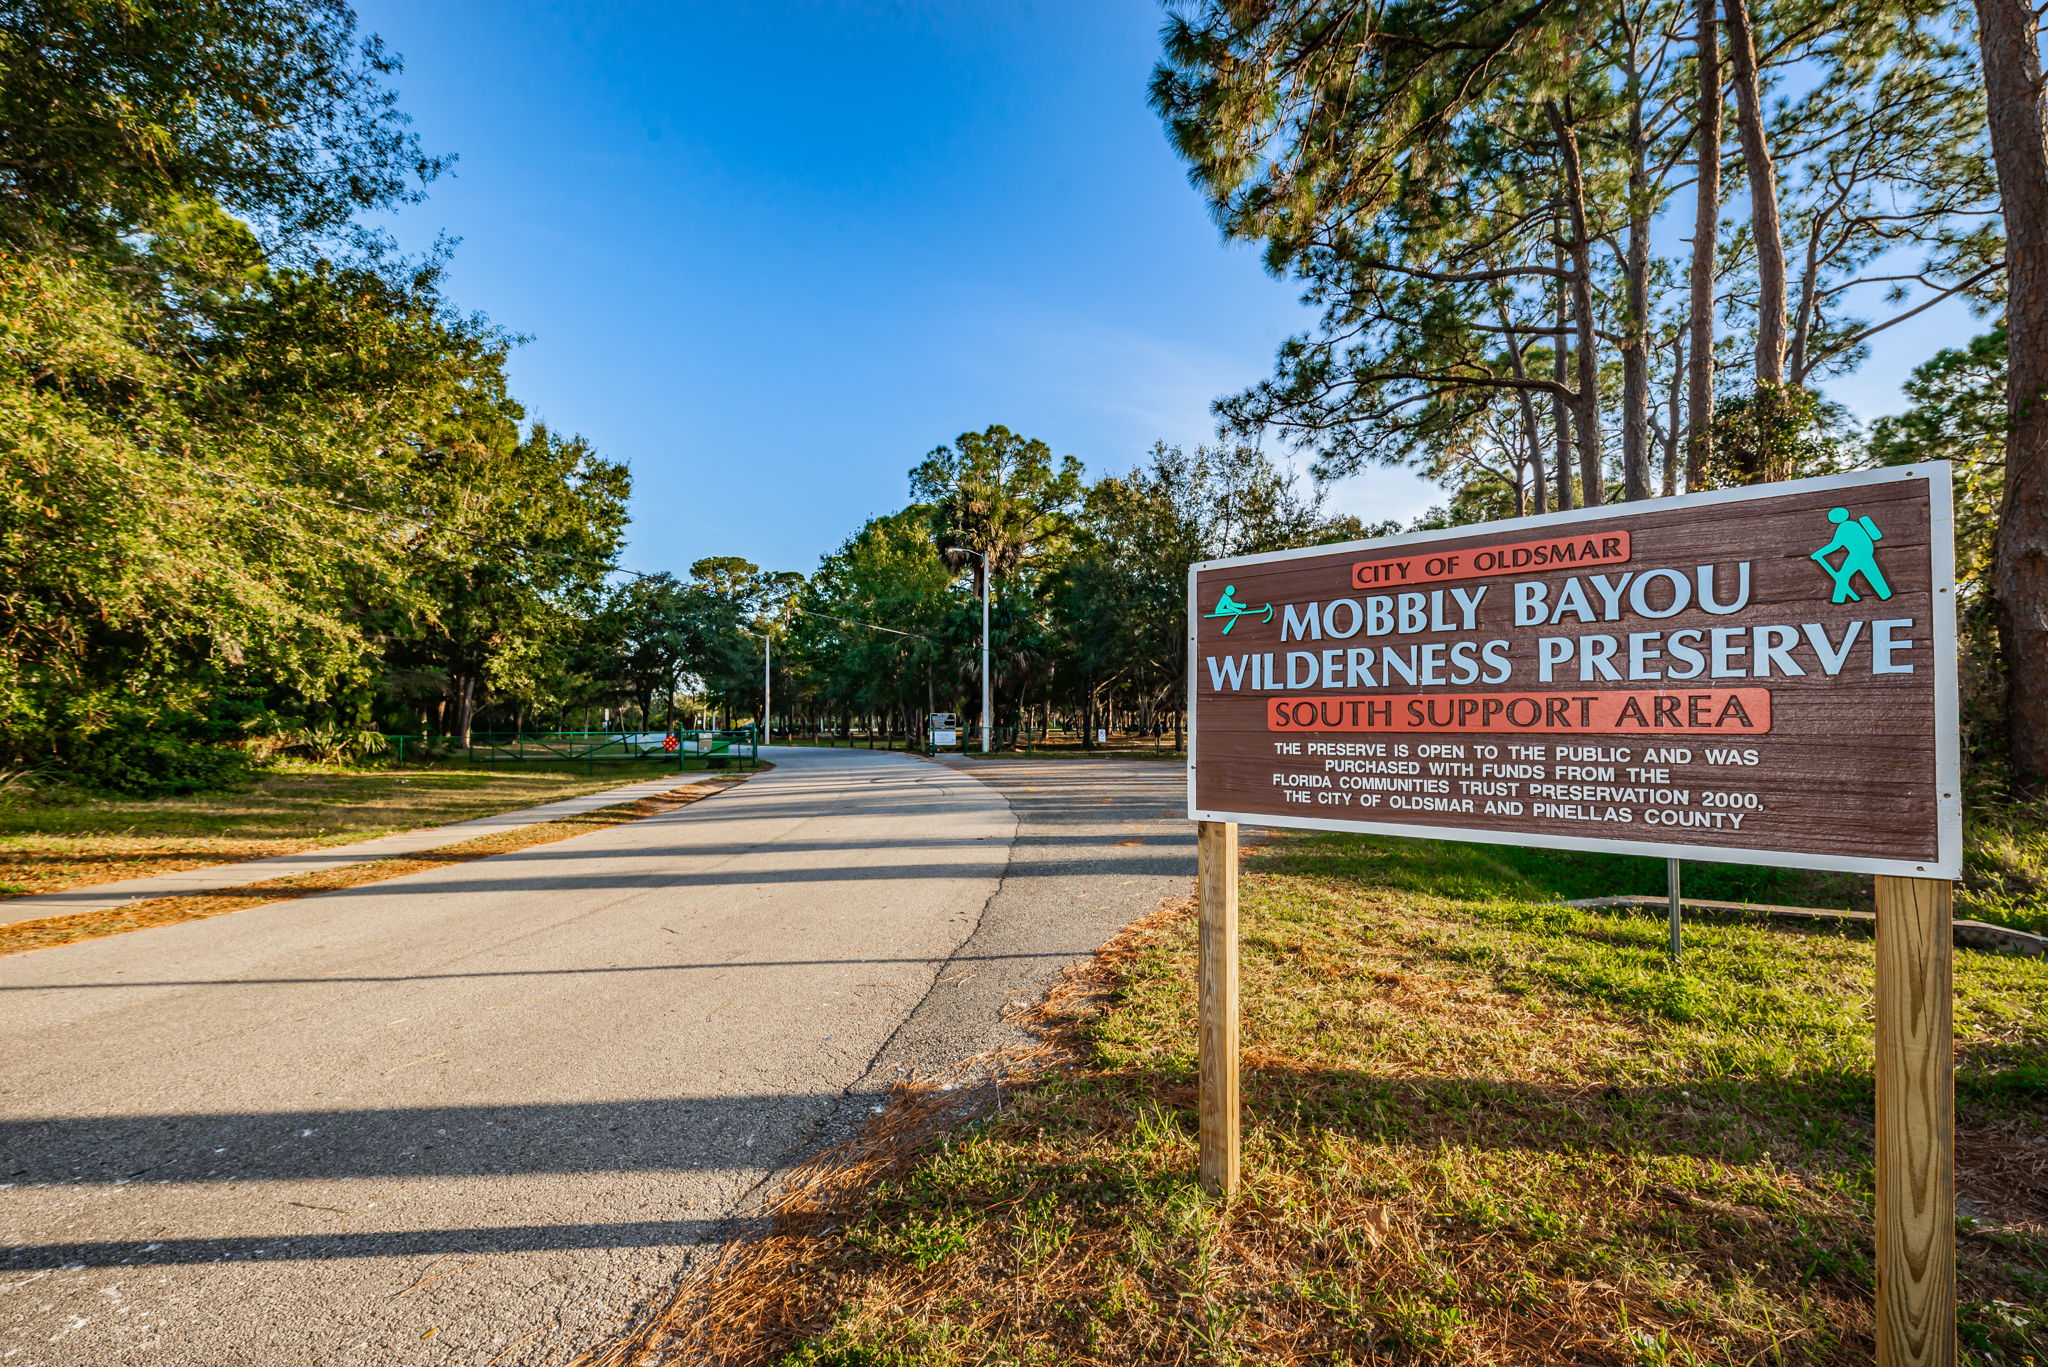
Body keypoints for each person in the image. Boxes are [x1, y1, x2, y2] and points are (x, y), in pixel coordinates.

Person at [1809, 507, 1892, 603]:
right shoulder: (1854, 524)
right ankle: (1885, 594)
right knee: (1872, 574)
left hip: (1857, 554)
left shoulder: (1844, 527)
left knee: (1843, 576)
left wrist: (1819, 553)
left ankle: (1838, 599)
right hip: (1865, 552)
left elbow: (1836, 545)